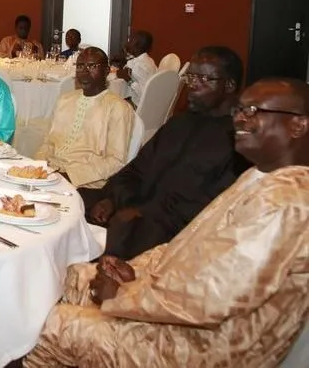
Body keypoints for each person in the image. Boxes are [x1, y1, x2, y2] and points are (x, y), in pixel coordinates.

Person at [23, 78, 309, 368]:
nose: (240, 118)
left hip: (206, 346)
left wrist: (123, 294)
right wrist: (135, 270)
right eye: (240, 110)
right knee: (74, 276)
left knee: (54, 323)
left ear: (298, 125)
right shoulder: (260, 177)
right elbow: (189, 244)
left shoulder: (286, 202)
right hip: (179, 306)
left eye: (253, 110)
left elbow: (214, 297)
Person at [80, 46, 250, 259]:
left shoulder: (239, 140)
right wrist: (113, 199)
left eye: (203, 78)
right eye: (190, 77)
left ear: (229, 85)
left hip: (173, 230)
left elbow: (211, 207)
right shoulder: (179, 123)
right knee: (72, 201)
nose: (192, 85)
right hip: (133, 205)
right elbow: (136, 169)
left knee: (125, 233)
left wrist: (142, 213)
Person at [34, 48, 134, 188]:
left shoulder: (118, 108)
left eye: (92, 66)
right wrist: (38, 166)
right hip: (50, 174)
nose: (84, 72)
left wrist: (70, 176)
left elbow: (115, 162)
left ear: (106, 71)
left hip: (85, 184)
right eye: (80, 66)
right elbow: (49, 142)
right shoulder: (65, 99)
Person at [112, 30, 156, 106]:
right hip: (146, 104)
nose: (127, 42)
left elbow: (144, 94)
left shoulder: (139, 66)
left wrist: (129, 80)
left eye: (130, 40)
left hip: (138, 106)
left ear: (136, 45)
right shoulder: (149, 60)